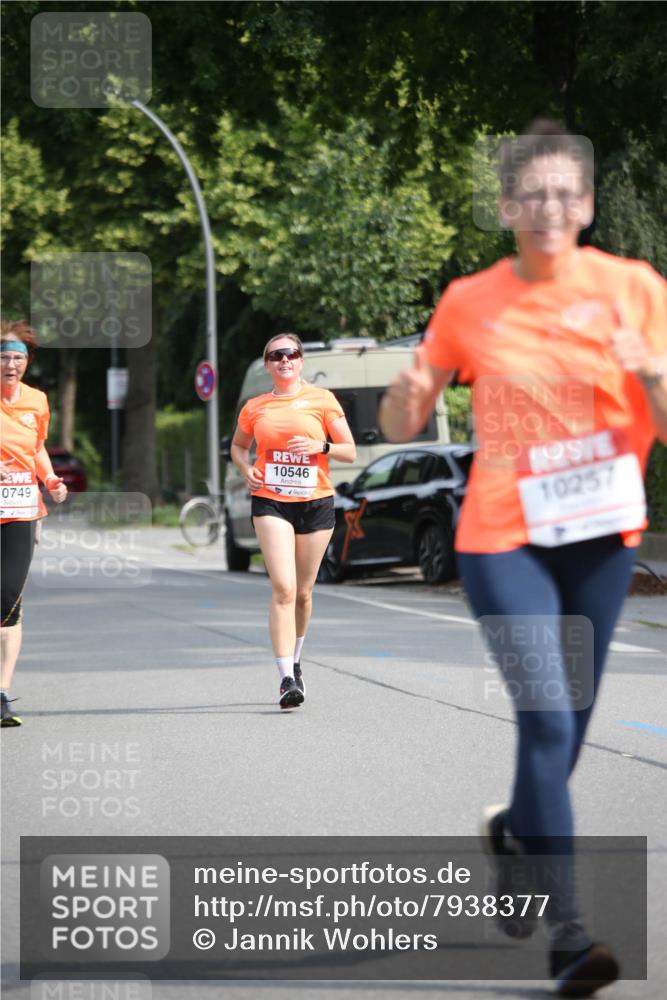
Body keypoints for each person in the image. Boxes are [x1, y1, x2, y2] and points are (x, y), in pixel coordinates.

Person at [379, 120, 667, 995]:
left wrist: (647, 371)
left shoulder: (635, 287)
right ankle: (571, 936)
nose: (547, 206)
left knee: (567, 728)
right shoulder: (470, 300)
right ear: (506, 207)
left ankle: (513, 832)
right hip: (502, 533)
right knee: (545, 719)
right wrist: (406, 396)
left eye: (563, 192)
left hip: (600, 533)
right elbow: (398, 424)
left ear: (584, 204)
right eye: (529, 193)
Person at [230, 333, 356, 708]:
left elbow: (349, 451)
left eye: (292, 354)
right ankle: (286, 678)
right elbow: (238, 446)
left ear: (300, 361)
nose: (285, 360)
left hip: (315, 502)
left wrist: (322, 447)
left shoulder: (322, 400)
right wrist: (245, 468)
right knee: (283, 588)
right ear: (267, 364)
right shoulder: (255, 407)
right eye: (276, 355)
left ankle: (297, 659)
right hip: (271, 501)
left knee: (303, 592)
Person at [1, 320, 68, 727]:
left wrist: (51, 478)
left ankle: (2, 693)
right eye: (4, 357)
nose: (10, 365)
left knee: (7, 598)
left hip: (22, 510)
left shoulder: (37, 402)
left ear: (27, 363)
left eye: (17, 358)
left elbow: (38, 447)